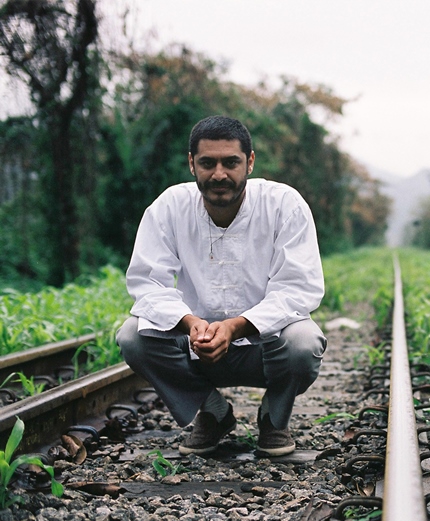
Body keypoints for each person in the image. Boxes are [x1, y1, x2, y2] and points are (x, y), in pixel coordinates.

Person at [116, 115, 326, 457]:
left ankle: (274, 417)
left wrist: (236, 326)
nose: (219, 174)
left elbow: (298, 288)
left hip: (265, 347)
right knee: (132, 337)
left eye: (231, 162)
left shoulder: (284, 205)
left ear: (250, 162)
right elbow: (147, 282)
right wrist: (189, 323)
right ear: (191, 163)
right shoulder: (169, 207)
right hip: (197, 346)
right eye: (207, 163)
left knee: (304, 342)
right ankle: (212, 412)